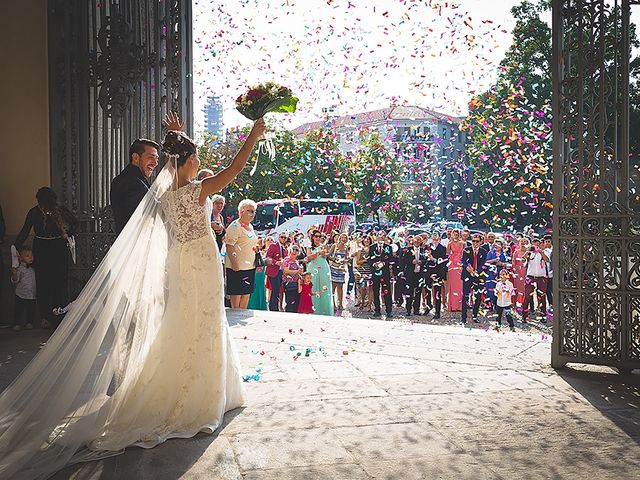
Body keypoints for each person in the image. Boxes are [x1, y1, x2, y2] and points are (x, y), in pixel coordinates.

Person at [0, 118, 266, 480]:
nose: (199, 162)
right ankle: (200, 393)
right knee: (202, 322)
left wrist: (179, 133)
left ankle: (189, 383)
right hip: (200, 265)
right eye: (196, 157)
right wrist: (254, 133)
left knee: (184, 321)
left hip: (180, 262)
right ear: (188, 161)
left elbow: (179, 174)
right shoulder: (199, 189)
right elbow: (235, 167)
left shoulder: (165, 194)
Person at [14, 186, 78, 328]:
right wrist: (16, 246)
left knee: (58, 282)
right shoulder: (35, 213)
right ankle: (46, 316)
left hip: (55, 249)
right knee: (44, 283)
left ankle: (57, 315)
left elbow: (74, 223)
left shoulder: (60, 211)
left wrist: (67, 234)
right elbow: (25, 230)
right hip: (44, 249)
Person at [110, 112, 183, 235]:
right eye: (150, 157)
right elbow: (155, 212)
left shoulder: (135, 179)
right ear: (136, 157)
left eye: (157, 159)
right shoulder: (130, 182)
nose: (155, 163)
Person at [224, 199, 259, 309]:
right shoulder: (235, 227)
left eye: (254, 211)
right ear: (242, 211)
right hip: (237, 267)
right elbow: (229, 245)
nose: (252, 214)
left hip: (249, 266)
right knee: (237, 294)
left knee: (246, 293)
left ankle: (243, 312)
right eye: (250, 211)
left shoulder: (250, 227)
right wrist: (234, 264)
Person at [460, 233, 487, 324]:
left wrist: (476, 272)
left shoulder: (483, 251)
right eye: (473, 241)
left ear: (481, 242)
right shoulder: (466, 249)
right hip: (467, 275)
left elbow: (483, 264)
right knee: (465, 297)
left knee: (478, 297)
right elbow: (463, 261)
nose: (475, 243)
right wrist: (468, 268)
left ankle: (475, 316)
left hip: (478, 277)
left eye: (477, 241)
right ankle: (463, 318)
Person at [521, 237, 550, 323]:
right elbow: (523, 259)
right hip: (530, 277)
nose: (536, 246)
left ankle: (543, 315)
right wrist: (529, 250)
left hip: (541, 278)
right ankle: (524, 316)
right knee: (527, 297)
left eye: (538, 244)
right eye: (534, 244)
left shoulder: (545, 252)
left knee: (542, 297)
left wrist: (540, 251)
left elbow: (547, 260)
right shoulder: (530, 253)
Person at [306, 230, 334, 315]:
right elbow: (309, 257)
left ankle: (325, 310)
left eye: (319, 236)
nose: (318, 238)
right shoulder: (309, 247)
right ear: (312, 237)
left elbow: (326, 255)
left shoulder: (323, 246)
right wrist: (318, 253)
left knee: (324, 288)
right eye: (316, 236)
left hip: (324, 268)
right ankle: (314, 310)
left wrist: (324, 252)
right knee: (313, 287)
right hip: (313, 268)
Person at [10, 246, 36, 331]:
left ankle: (29, 322)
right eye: (27, 256)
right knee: (19, 309)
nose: (30, 258)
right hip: (21, 293)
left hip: (32, 293)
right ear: (21, 258)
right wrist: (14, 274)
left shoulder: (33, 268)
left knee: (31, 309)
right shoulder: (20, 269)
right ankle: (17, 323)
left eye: (32, 255)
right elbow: (15, 280)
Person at [368, 231, 393, 318]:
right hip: (375, 273)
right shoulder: (372, 247)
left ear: (385, 237)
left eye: (383, 235)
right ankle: (377, 310)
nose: (381, 237)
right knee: (376, 291)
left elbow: (391, 259)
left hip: (385, 273)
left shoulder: (388, 247)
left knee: (387, 291)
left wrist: (384, 263)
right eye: (379, 235)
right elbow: (369, 259)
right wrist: (374, 264)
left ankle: (389, 310)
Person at [401, 235, 426, 316]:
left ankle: (416, 309)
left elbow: (426, 260)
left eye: (419, 240)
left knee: (418, 292)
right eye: (416, 239)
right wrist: (412, 261)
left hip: (419, 274)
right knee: (409, 292)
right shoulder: (408, 250)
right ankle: (408, 309)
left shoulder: (423, 250)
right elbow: (403, 260)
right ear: (413, 241)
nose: (417, 241)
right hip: (410, 273)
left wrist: (421, 262)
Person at [426, 232, 447, 320]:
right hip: (428, 271)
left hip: (438, 272)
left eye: (436, 239)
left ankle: (437, 312)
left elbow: (443, 261)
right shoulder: (428, 246)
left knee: (437, 292)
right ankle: (428, 306)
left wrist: (434, 259)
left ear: (439, 239)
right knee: (427, 289)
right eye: (433, 239)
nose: (434, 241)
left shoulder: (442, 248)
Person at [484, 239, 510, 310]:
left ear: (501, 246)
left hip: (501, 273)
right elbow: (486, 261)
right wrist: (494, 260)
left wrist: (502, 264)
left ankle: (499, 305)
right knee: (491, 288)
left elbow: (508, 263)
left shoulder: (504, 253)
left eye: (499, 245)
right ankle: (490, 304)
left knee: (500, 288)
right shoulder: (491, 252)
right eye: (496, 245)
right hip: (491, 273)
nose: (497, 247)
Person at [265, 232, 288, 311]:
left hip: (280, 272)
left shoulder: (285, 250)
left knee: (277, 290)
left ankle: (274, 307)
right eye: (282, 237)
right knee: (275, 290)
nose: (283, 239)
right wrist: (276, 262)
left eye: (285, 238)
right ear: (278, 237)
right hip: (273, 271)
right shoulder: (273, 246)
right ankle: (274, 308)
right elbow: (268, 257)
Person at [329, 232, 349, 312]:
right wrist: (334, 259)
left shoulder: (346, 248)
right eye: (342, 237)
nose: (343, 239)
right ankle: (333, 304)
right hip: (334, 268)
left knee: (340, 287)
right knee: (333, 287)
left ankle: (340, 304)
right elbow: (329, 255)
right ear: (340, 238)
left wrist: (344, 261)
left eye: (345, 238)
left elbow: (346, 258)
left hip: (341, 269)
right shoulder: (334, 246)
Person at [247, 237, 267, 311]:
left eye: (261, 242)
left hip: (261, 276)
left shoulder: (263, 253)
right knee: (254, 290)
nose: (259, 244)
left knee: (260, 289)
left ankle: (261, 306)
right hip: (254, 274)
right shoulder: (249, 251)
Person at [354, 235, 373, 312]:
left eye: (368, 239)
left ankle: (369, 304)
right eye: (365, 239)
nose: (366, 241)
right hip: (362, 271)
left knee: (370, 288)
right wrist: (365, 261)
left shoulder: (373, 249)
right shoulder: (360, 250)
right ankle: (362, 302)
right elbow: (357, 262)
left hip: (371, 270)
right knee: (363, 288)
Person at [447, 229, 464, 311]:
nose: (456, 235)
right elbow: (447, 254)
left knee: (460, 286)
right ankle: (452, 305)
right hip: (452, 265)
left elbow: (465, 254)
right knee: (452, 286)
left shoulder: (463, 243)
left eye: (457, 234)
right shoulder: (449, 244)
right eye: (454, 234)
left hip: (460, 266)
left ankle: (460, 306)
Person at [282, 245, 302, 312]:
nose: (294, 255)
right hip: (289, 284)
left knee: (296, 302)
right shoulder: (287, 260)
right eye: (293, 253)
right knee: (290, 302)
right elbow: (286, 271)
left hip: (297, 284)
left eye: (296, 254)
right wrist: (297, 271)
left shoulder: (296, 261)